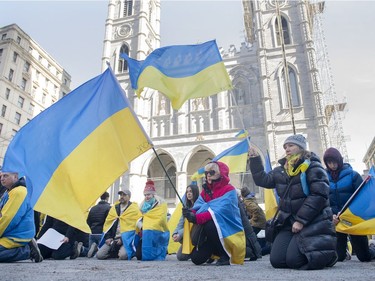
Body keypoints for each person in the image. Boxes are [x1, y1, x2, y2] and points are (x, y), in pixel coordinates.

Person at [248, 134, 337, 270]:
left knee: (294, 261)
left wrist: (301, 220)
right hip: (288, 221)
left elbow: (319, 195)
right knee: (277, 261)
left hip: (312, 221)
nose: (287, 149)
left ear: (301, 148)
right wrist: (254, 159)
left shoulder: (312, 166)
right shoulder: (282, 169)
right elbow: (262, 180)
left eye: (291, 145)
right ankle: (304, 250)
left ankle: (328, 256)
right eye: (285, 146)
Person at [182, 161, 245, 266]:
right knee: (196, 259)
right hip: (213, 235)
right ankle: (215, 252)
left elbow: (218, 211)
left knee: (210, 225)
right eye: (206, 172)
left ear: (221, 174)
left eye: (212, 172)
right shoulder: (206, 191)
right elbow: (198, 206)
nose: (208, 175)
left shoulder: (229, 190)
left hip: (228, 232)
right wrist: (190, 213)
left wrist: (196, 218)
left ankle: (225, 255)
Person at [323, 147, 375, 262]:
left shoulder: (353, 175)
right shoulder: (323, 178)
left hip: (353, 219)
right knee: (339, 257)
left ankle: (372, 248)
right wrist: (330, 215)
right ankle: (344, 252)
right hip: (336, 220)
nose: (333, 165)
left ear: (340, 160)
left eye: (334, 161)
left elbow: (363, 197)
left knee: (364, 257)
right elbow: (323, 200)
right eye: (329, 162)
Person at [0, 171, 43, 263]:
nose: (2, 178)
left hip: (16, 235)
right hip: (8, 234)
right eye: (1, 176)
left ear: (16, 177)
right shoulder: (8, 192)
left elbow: (8, 219)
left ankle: (28, 251)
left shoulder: (19, 192)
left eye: (5, 176)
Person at [96, 189, 141, 260]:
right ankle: (115, 251)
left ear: (129, 197)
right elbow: (108, 224)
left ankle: (121, 252)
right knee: (99, 255)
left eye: (124, 195)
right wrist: (108, 237)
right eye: (121, 195)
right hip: (113, 239)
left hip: (126, 240)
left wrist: (122, 239)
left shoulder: (134, 209)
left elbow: (134, 228)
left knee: (123, 256)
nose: (121, 197)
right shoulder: (114, 208)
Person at [136, 180, 169, 261]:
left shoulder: (161, 204)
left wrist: (152, 224)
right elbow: (139, 218)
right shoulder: (142, 206)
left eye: (149, 194)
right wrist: (142, 226)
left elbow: (162, 218)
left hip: (157, 229)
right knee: (139, 256)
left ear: (153, 194)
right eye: (145, 195)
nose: (147, 197)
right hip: (145, 231)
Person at [172, 184, 199, 261]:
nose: (189, 193)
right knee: (180, 257)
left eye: (191, 191)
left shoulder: (199, 205)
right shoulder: (186, 207)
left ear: (195, 192)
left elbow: (191, 226)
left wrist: (180, 234)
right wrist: (175, 233)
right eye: (187, 192)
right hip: (187, 235)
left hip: (196, 234)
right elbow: (180, 223)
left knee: (183, 256)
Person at [86, 191, 111, 258]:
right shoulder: (109, 208)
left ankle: (83, 249)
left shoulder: (93, 208)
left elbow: (88, 221)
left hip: (92, 233)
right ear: (107, 198)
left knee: (88, 251)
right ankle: (96, 248)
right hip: (101, 233)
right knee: (102, 251)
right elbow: (108, 222)